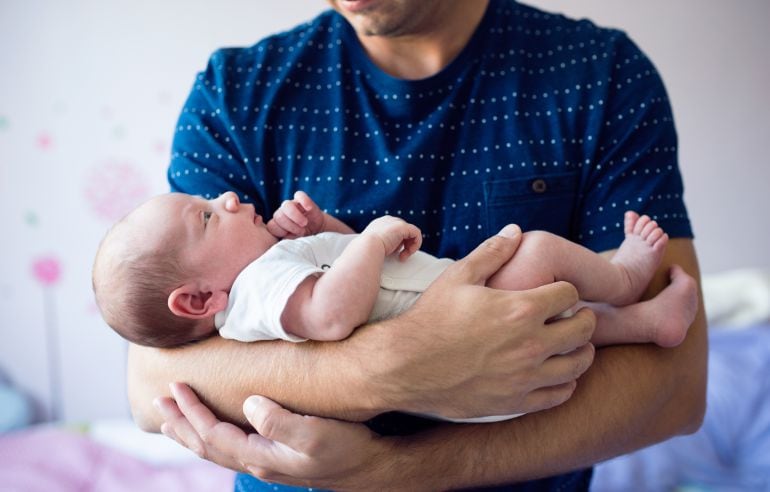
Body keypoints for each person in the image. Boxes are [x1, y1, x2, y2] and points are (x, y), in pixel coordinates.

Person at [128, 0, 708, 490]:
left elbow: (674, 388)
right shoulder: (237, 93)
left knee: (574, 304)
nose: (227, 208)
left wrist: (391, 470)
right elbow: (153, 379)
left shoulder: (599, 75)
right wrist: (397, 367)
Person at [95, 189, 694, 354]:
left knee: (557, 319)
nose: (227, 198)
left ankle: (645, 325)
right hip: (465, 334)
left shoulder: (264, 281)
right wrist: (376, 235)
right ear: (199, 301)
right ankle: (625, 278)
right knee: (535, 254)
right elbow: (334, 314)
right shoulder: (254, 291)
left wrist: (324, 229)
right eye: (204, 218)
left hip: (474, 335)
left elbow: (359, 282)